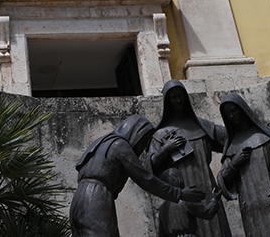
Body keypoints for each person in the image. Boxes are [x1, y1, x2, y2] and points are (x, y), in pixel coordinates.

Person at [72, 115, 205, 237]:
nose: (142, 147)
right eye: (144, 140)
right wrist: (180, 194)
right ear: (136, 133)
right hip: (97, 198)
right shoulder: (119, 145)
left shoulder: (102, 142)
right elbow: (146, 179)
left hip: (79, 200)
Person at [152, 80, 231, 237]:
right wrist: (166, 149)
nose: (178, 100)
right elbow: (150, 164)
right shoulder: (161, 134)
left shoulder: (203, 126)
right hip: (182, 189)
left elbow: (230, 137)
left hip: (207, 185)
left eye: (180, 96)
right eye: (173, 97)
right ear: (168, 101)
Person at [217, 94, 270, 237]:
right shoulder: (232, 146)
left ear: (242, 109)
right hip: (251, 207)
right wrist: (234, 164)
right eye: (227, 114)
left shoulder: (265, 135)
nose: (231, 116)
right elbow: (223, 180)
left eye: (233, 111)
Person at [157, 166, 222, 237]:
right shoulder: (185, 200)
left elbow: (161, 234)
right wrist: (214, 200)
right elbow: (207, 212)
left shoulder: (163, 208)